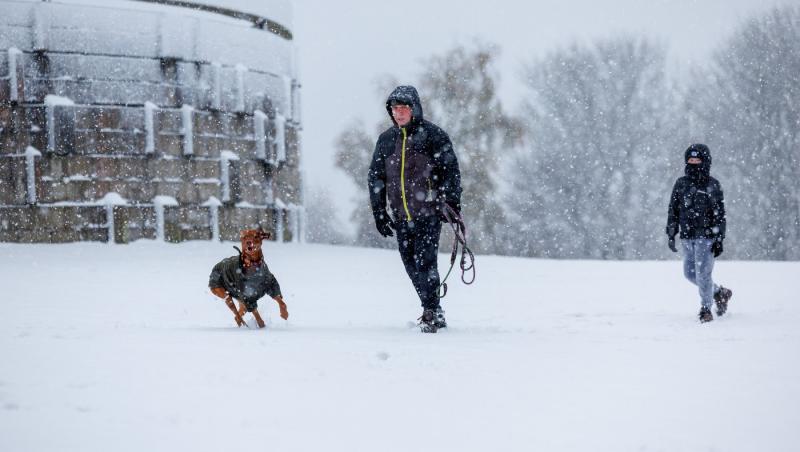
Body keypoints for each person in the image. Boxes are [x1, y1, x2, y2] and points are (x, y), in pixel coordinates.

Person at [368, 85, 462, 333]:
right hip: (401, 216)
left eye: (403, 108)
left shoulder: (433, 136)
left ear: (414, 109)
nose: (399, 113)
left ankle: (431, 311)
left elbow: (451, 172)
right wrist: (379, 212)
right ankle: (432, 306)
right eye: (395, 108)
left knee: (425, 263)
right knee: (410, 264)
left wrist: (450, 203)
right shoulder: (386, 140)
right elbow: (376, 178)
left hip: (428, 213)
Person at [666, 144, 733, 323]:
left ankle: (705, 308)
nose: (694, 163)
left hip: (706, 237)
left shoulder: (713, 185)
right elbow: (673, 210)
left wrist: (719, 238)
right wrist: (671, 232)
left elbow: (720, 214)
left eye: (697, 160)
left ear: (705, 161)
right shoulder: (681, 184)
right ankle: (720, 292)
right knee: (690, 273)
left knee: (703, 274)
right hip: (687, 237)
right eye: (690, 160)